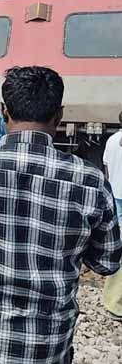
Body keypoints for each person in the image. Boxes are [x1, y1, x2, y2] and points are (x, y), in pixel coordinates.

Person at [0, 66, 121, 364]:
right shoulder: (90, 179)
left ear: (3, 111)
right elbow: (107, 262)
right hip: (45, 348)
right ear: (59, 115)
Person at [103, 111, 122, 320]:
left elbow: (106, 169)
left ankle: (112, 299)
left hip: (116, 196)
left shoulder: (111, 140)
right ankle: (115, 302)